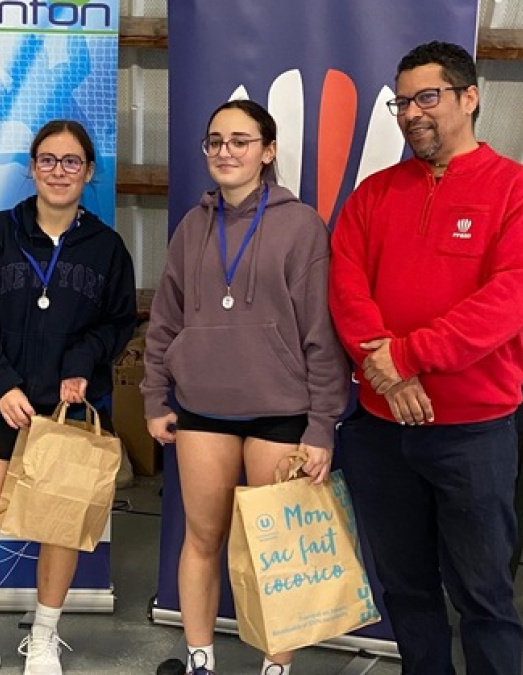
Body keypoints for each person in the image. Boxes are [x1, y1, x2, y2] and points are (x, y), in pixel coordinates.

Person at [328, 41, 523, 674]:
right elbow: (347, 289)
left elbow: (506, 303)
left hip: (472, 434)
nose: (411, 113)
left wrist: (405, 358)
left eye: (426, 97)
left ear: (469, 97)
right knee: (407, 590)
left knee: (484, 596)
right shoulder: (373, 194)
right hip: (381, 432)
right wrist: (389, 374)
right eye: (402, 102)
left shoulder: (520, 191)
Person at [0, 119, 136, 675]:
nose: (59, 171)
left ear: (88, 171)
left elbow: (116, 324)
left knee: (59, 529)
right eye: (47, 160)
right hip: (2, 405)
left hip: (68, 412)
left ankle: (43, 637)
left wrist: (81, 368)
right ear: (32, 168)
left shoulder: (107, 248)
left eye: (71, 161)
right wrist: (1, 383)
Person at [142, 100, 349, 675]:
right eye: (215, 141)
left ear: (268, 151)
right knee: (202, 539)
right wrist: (155, 396)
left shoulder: (301, 225)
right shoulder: (192, 226)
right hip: (203, 409)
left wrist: (321, 426)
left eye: (240, 141)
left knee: (276, 553)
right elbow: (165, 320)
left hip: (281, 413)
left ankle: (275, 666)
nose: (225, 151)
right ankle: (200, 659)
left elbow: (321, 334)